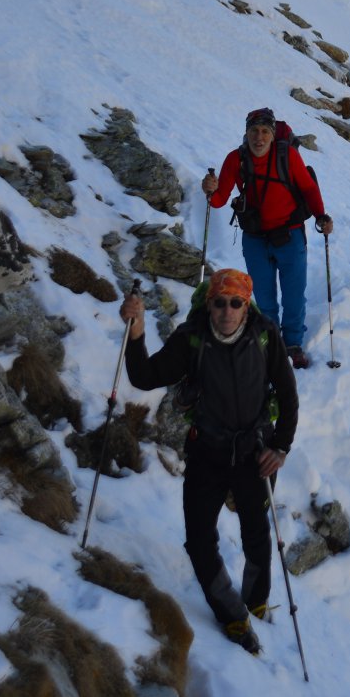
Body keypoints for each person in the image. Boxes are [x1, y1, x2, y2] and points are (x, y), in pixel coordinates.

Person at [120, 268, 296, 654]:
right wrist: (136, 332)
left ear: (246, 306)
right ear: (209, 304)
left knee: (256, 533)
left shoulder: (265, 335)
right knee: (200, 540)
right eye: (219, 303)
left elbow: (287, 394)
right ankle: (232, 614)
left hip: (255, 452)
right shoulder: (192, 338)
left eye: (235, 303)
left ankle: (256, 602)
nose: (227, 311)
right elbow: (145, 376)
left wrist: (280, 447)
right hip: (207, 453)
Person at [204, 107, 333, 368]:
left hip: (290, 235)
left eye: (265, 131)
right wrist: (210, 189)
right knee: (264, 297)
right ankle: (271, 342)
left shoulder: (288, 156)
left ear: (273, 134)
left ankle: (293, 343)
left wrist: (321, 216)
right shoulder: (236, 160)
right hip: (255, 238)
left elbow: (308, 188)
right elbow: (218, 200)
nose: (259, 137)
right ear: (246, 133)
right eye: (254, 131)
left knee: (294, 295)